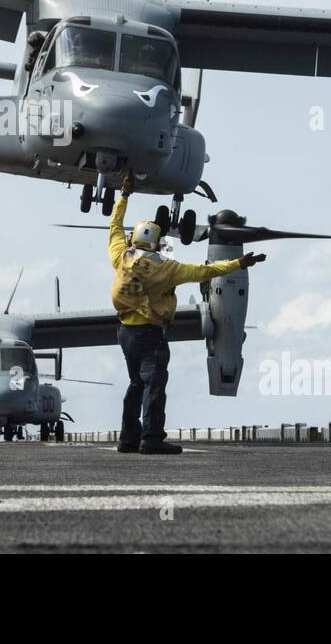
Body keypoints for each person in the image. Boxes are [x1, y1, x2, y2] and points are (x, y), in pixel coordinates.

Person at [109, 174, 266, 455]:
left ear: (135, 238)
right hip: (150, 333)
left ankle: (128, 439)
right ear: (157, 243)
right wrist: (240, 262)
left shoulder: (121, 257)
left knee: (135, 383)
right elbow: (206, 271)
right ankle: (152, 438)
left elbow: (115, 227)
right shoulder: (168, 268)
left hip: (125, 333)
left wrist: (124, 195)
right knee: (154, 382)